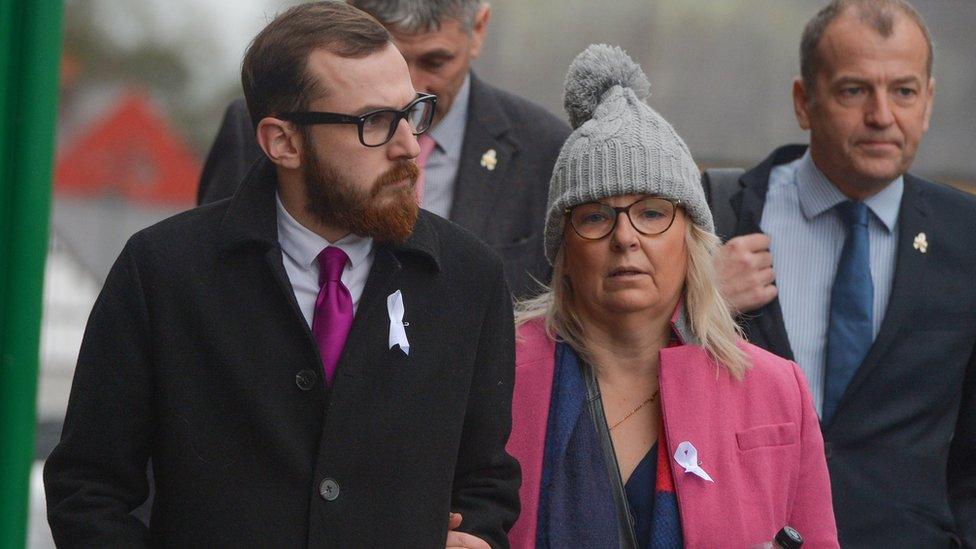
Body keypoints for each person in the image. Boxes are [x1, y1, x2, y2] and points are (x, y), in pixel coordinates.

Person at [44, 3, 518, 547]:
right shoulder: (162, 273)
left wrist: (477, 535)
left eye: (412, 112)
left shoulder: (469, 280)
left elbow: (488, 483)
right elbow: (87, 487)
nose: (410, 146)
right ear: (282, 142)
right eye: (375, 123)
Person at [505, 44, 838, 548]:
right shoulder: (498, 375)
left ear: (691, 237)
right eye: (595, 215)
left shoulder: (774, 390)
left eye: (653, 212)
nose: (625, 237)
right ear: (563, 249)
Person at [713, 1, 976, 546]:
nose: (882, 115)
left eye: (904, 91)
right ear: (803, 102)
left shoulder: (967, 238)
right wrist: (697, 304)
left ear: (928, 102)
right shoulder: (717, 220)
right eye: (854, 90)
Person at [198, 0, 571, 299]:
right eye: (393, 55)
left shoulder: (546, 150)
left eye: (435, 61)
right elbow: (209, 284)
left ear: (477, 30)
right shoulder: (252, 130)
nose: (409, 82)